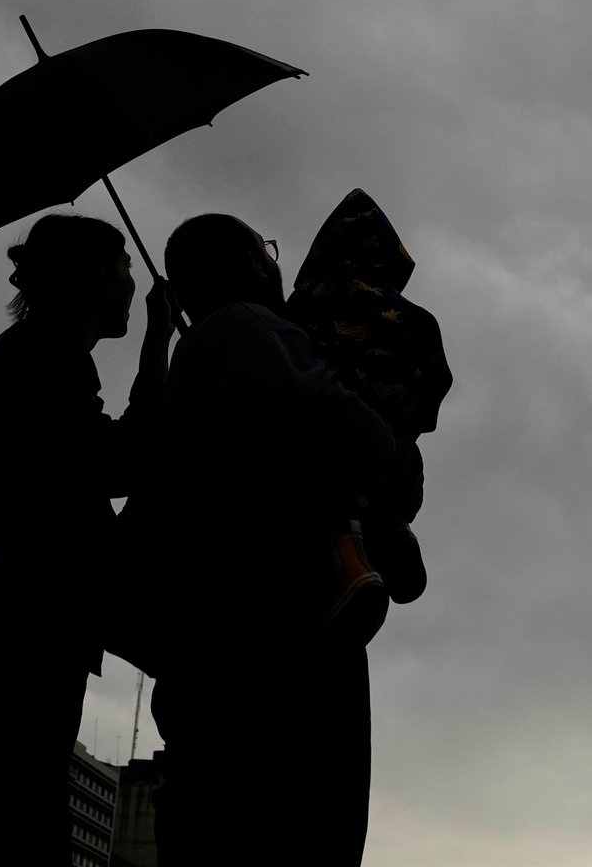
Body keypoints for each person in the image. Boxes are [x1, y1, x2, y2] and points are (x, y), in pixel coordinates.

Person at [135, 212, 421, 866]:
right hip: (284, 631)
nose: (274, 261)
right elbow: (331, 416)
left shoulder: (197, 354)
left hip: (212, 646)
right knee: (311, 824)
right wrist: (400, 463)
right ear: (247, 263)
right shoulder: (244, 329)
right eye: (263, 249)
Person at [0, 213, 175, 867]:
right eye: (122, 266)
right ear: (91, 276)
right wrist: (157, 342)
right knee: (8, 830)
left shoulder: (28, 355)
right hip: (13, 646)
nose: (130, 281)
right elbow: (117, 464)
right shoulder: (46, 357)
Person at [286, 187, 452, 607]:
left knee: (333, 498)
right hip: (390, 437)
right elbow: (435, 380)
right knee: (374, 494)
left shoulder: (308, 299)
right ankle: (388, 529)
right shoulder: (406, 313)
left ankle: (350, 555)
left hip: (327, 435)